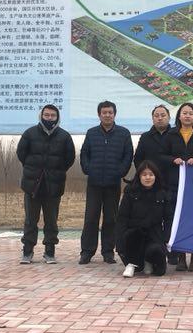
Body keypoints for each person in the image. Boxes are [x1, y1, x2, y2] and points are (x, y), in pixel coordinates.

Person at [16, 104, 76, 264]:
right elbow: (21, 153)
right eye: (46, 115)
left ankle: (50, 252)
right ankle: (27, 251)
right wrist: (32, 168)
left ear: (57, 117)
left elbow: (69, 158)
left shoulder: (64, 136)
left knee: (51, 221)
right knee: (30, 220)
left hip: (53, 186)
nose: (49, 118)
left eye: (53, 116)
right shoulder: (30, 133)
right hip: (32, 185)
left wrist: (57, 170)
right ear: (41, 116)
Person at [79, 101, 134, 265]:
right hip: (94, 183)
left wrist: (120, 172)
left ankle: (108, 252)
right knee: (91, 218)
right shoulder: (91, 133)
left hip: (113, 183)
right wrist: (88, 169)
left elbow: (128, 155)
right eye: (104, 112)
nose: (107, 115)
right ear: (99, 115)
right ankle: (87, 252)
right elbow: (84, 154)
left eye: (110, 112)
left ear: (114, 114)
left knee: (111, 219)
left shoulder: (123, 133)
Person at [160, 102, 193, 272]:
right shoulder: (171, 134)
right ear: (179, 116)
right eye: (184, 113)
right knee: (178, 221)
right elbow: (161, 155)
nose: (187, 116)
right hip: (176, 184)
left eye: (190, 113)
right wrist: (172, 159)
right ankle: (181, 257)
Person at [116, 160, 174, 278]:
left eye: (151, 174)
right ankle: (131, 265)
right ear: (139, 176)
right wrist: (119, 239)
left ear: (156, 176)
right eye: (144, 174)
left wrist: (166, 237)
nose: (148, 177)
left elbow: (168, 218)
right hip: (134, 233)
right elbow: (122, 217)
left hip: (154, 233)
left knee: (159, 270)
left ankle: (149, 261)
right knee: (131, 245)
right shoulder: (131, 192)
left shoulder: (162, 193)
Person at [133, 105, 171, 180]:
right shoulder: (145, 137)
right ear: (152, 119)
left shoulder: (176, 136)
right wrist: (145, 174)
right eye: (156, 116)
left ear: (169, 118)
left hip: (171, 179)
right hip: (150, 179)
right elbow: (138, 159)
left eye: (163, 115)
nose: (160, 118)